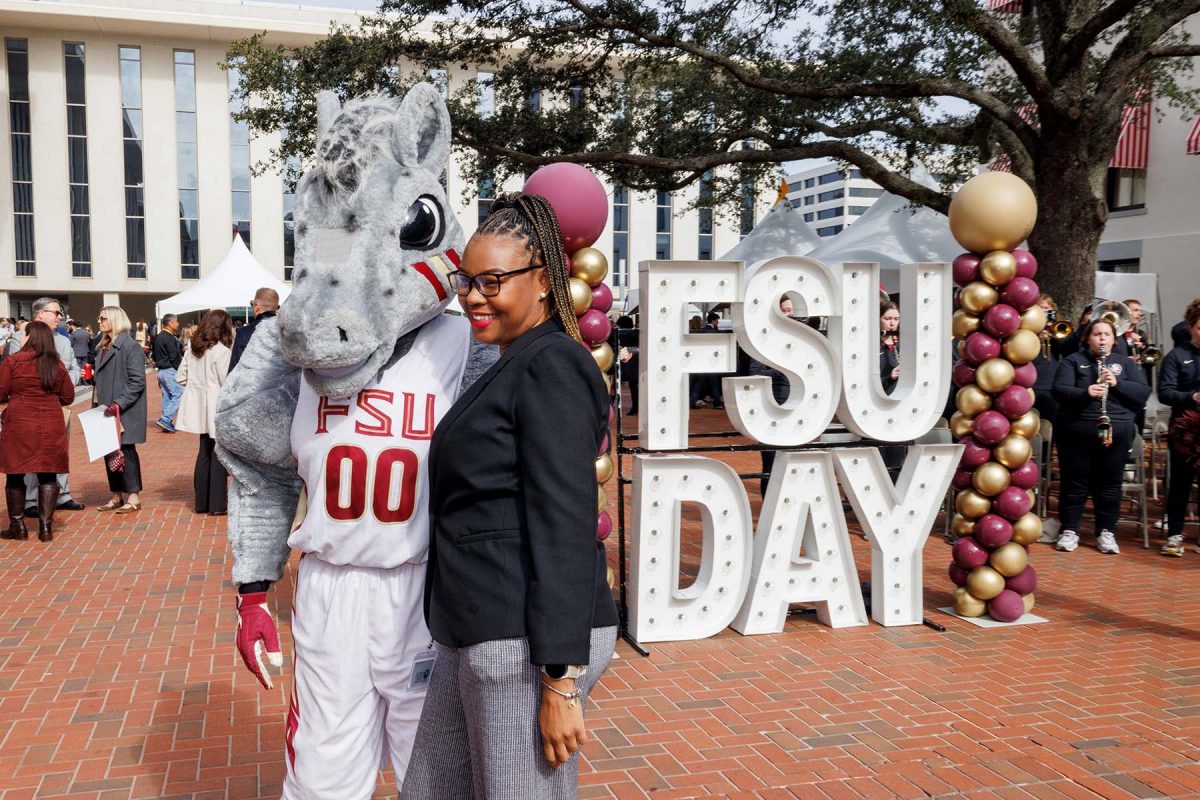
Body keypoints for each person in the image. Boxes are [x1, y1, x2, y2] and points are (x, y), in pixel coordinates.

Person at [403, 193, 617, 800]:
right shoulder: (510, 362)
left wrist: (558, 680)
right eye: (468, 281)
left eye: (493, 281)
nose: (473, 296)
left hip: (525, 644)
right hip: (476, 628)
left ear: (545, 281)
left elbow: (564, 523)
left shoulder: (552, 365)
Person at [1051, 318, 1150, 554]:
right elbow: (1060, 390)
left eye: (1107, 334)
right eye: (1097, 334)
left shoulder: (1124, 363)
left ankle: (1106, 531)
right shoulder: (1073, 361)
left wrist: (1117, 384)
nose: (1102, 338)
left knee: (1110, 483)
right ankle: (1070, 529)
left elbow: (1142, 393)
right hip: (1077, 430)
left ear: (1114, 339)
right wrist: (1085, 392)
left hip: (1116, 429)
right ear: (1087, 338)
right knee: (1075, 481)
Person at [0, 322, 75, 541]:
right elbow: (68, 397)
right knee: (48, 473)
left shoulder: (13, 362)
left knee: (15, 473)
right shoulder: (56, 365)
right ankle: (45, 527)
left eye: (23, 334)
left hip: (20, 422)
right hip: (50, 422)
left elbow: (1, 392)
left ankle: (18, 525)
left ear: (30, 337)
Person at [22, 298, 83, 517]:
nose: (60, 317)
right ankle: (30, 499)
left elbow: (74, 368)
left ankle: (62, 494)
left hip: (59, 406)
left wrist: (67, 382)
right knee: (30, 452)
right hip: (31, 408)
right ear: (40, 314)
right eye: (56, 313)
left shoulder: (63, 341)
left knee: (60, 450)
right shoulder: (23, 339)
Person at [176, 310, 233, 515]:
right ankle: (217, 504)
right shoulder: (221, 351)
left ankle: (202, 502)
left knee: (204, 452)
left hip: (197, 405)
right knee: (218, 454)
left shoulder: (193, 348)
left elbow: (180, 377)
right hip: (216, 405)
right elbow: (227, 382)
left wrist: (196, 386)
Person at [1156, 299, 1200, 556]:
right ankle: (1174, 535)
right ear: (1190, 327)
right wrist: (1191, 397)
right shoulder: (1176, 356)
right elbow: (1165, 392)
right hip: (1185, 430)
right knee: (1180, 484)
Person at [93, 306, 147, 514]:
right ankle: (116, 494)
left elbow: (137, 381)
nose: (99, 321)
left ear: (115, 319)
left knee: (126, 451)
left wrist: (119, 403)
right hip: (106, 408)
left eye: (103, 318)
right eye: (99, 318)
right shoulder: (104, 346)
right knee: (108, 451)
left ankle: (133, 496)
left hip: (124, 408)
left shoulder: (129, 346)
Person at [750, 295, 793, 495]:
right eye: (784, 310)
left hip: (794, 410)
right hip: (771, 409)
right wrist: (780, 370)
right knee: (770, 463)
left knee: (790, 462)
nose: (788, 314)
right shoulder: (762, 339)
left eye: (790, 310)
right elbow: (754, 372)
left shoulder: (799, 340)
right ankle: (769, 503)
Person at [229, 287, 280, 370]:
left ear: (257, 307)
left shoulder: (244, 333)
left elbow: (234, 370)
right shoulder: (287, 333)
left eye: (252, 305)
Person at [152, 314, 185, 433]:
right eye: (176, 321)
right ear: (170, 323)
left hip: (161, 370)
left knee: (167, 396)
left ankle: (167, 422)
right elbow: (174, 357)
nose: (178, 324)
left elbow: (154, 354)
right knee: (179, 394)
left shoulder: (159, 336)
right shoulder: (169, 338)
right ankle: (166, 419)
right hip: (169, 370)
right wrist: (181, 370)